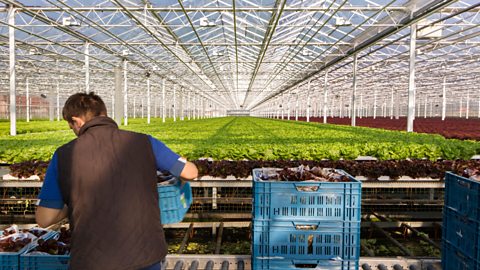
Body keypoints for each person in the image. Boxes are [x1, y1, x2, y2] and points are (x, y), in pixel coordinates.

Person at [35, 92, 198, 270]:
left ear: (77, 121)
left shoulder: (64, 155)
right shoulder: (144, 142)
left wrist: (74, 203)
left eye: (71, 126)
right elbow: (190, 172)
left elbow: (44, 218)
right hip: (145, 256)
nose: (74, 132)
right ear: (104, 113)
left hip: (92, 261)